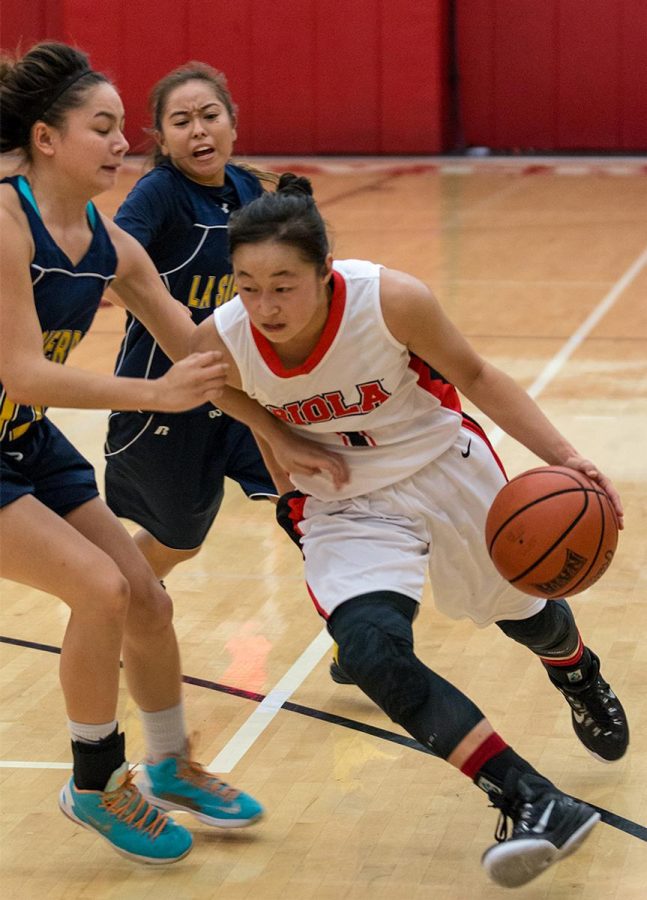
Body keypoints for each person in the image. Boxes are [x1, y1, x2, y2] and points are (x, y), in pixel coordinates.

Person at [190, 173, 629, 888]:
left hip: (439, 465)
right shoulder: (225, 334)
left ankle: (575, 670)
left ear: (325, 275)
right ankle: (530, 797)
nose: (264, 305)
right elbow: (214, 383)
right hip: (341, 498)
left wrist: (565, 459)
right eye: (246, 285)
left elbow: (479, 376)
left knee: (523, 615)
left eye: (283, 284)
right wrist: (275, 437)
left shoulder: (388, 300)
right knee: (368, 651)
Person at [0, 42, 263, 865]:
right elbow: (21, 370)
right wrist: (155, 395)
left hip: (20, 442)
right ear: (47, 139)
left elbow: (194, 352)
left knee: (146, 599)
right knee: (101, 589)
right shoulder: (5, 223)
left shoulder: (108, 241)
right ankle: (93, 783)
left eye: (121, 130)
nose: (124, 144)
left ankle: (168, 762)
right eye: (103, 128)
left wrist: (285, 434)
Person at [104, 62, 288, 580]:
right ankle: (115, 604)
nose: (199, 129)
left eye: (210, 115)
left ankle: (354, 622)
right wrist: (169, 316)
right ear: (161, 138)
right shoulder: (158, 193)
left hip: (243, 386)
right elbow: (111, 266)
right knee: (180, 542)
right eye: (181, 121)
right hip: (168, 394)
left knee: (311, 502)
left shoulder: (250, 190)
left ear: (232, 121)